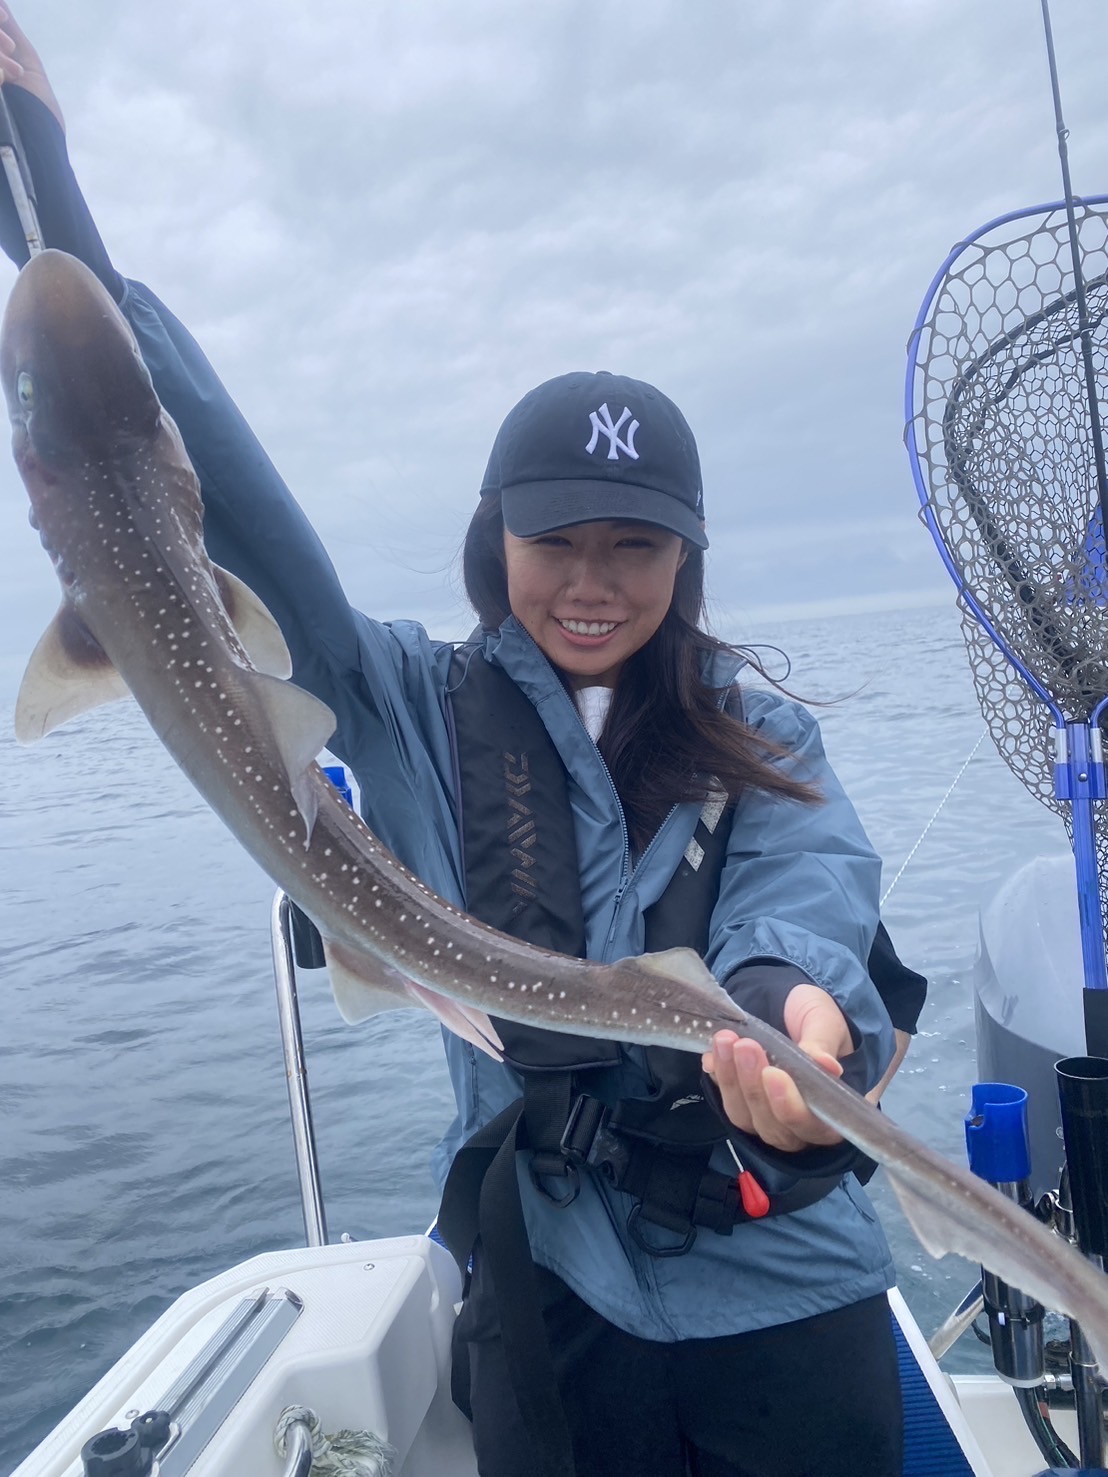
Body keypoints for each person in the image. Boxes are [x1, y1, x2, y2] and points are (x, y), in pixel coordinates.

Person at [0, 15, 922, 1475]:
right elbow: (218, 485)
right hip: (553, 1284)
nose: (592, 581)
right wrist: (42, 182)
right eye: (557, 540)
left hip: (785, 1288)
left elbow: (808, 896)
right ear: (496, 540)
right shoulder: (406, 700)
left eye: (637, 546)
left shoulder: (764, 731)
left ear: (687, 561)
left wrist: (791, 1011)